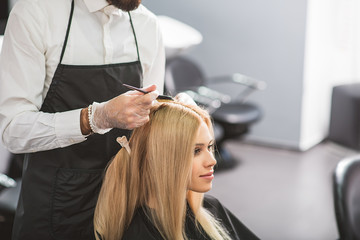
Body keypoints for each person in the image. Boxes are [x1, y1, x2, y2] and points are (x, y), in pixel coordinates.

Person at [0, 0, 165, 239]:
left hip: (125, 202)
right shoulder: (36, 14)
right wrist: (96, 118)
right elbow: (13, 132)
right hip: (54, 206)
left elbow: (149, 117)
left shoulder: (147, 24)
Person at [94, 101, 259, 240]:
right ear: (162, 157)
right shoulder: (140, 233)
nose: (212, 161)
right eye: (196, 151)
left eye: (209, 147)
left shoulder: (211, 208)